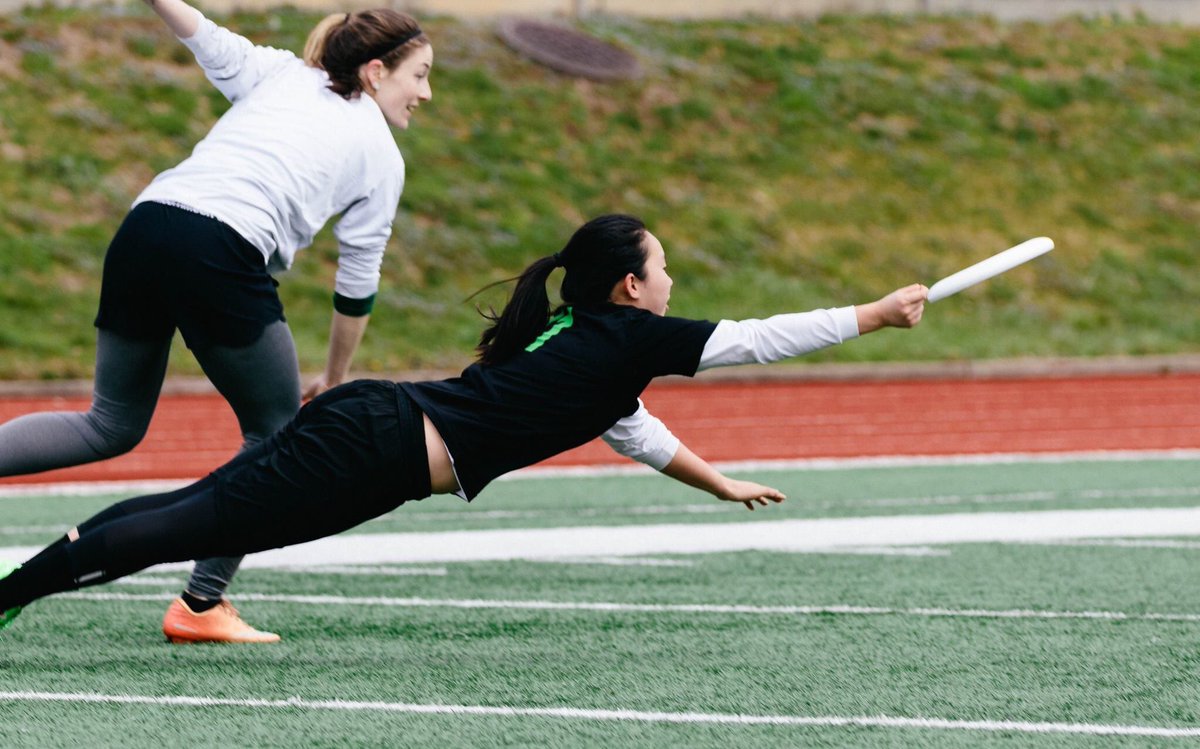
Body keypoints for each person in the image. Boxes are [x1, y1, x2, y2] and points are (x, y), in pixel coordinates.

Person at [0, 214, 928, 635]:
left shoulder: (591, 346)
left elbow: (636, 432)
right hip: (378, 443)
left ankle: (48, 591)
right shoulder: (627, 334)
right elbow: (761, 340)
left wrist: (721, 483)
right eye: (663, 267)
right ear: (631, 286)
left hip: (381, 439)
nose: (673, 281)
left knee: (204, 509)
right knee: (196, 519)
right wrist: (873, 315)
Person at [0, 0, 433, 643]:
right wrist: (334, 376)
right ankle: (201, 603)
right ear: (375, 72)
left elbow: (201, 33)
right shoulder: (380, 155)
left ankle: (203, 601)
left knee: (110, 422)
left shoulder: (283, 74)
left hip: (146, 224)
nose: (426, 92)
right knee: (279, 437)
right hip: (216, 249)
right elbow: (356, 286)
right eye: (419, 74)